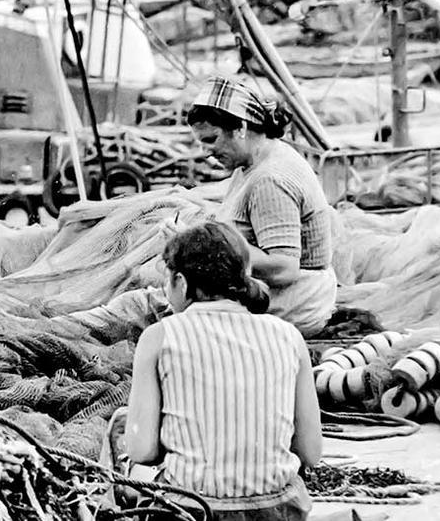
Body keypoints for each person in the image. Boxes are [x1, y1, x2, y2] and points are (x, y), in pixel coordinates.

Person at [123, 221, 323, 520]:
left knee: (118, 431)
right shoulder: (288, 335)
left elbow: (142, 451)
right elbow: (310, 452)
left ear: (180, 282)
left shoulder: (160, 336)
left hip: (192, 511)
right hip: (277, 511)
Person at [188, 75, 337, 337]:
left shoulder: (269, 181)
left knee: (143, 308)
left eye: (211, 139)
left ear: (241, 128)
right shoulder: (256, 161)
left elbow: (284, 270)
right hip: (284, 297)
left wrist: (214, 248)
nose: (205, 151)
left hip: (289, 304)